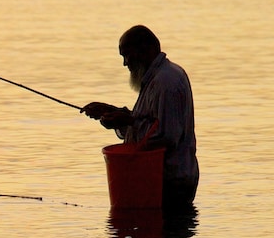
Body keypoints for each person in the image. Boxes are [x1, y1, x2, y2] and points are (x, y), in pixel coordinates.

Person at [82, 25, 199, 207]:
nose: (125, 63)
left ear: (145, 50)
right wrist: (113, 113)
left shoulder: (166, 82)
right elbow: (147, 121)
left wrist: (127, 121)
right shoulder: (156, 78)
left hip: (170, 184)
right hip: (158, 182)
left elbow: (165, 136)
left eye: (127, 55)